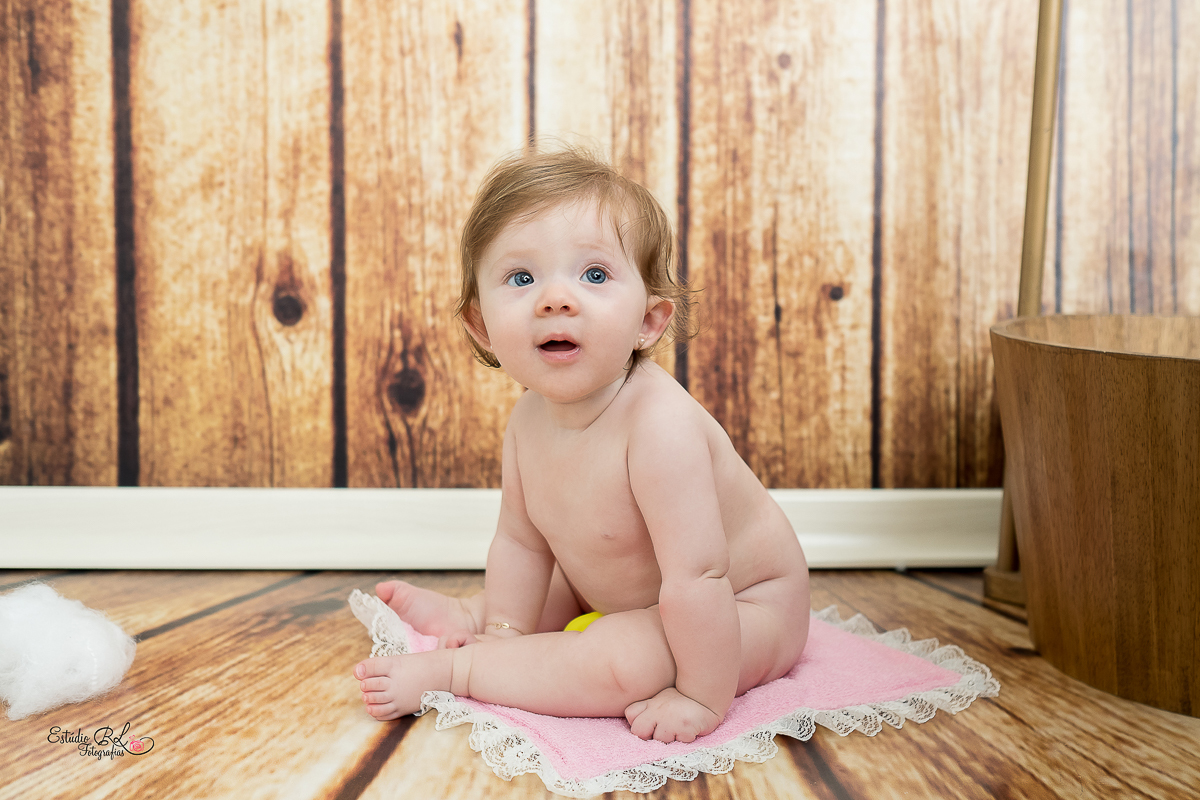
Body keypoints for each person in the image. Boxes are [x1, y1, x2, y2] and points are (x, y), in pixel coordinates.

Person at [354, 147, 810, 744]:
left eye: (594, 275)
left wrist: (701, 696)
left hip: (743, 608)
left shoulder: (659, 427)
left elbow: (698, 577)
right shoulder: (527, 420)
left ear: (650, 320)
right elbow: (521, 541)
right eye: (522, 278)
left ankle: (460, 669)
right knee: (557, 583)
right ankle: (477, 624)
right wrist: (506, 629)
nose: (555, 299)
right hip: (629, 588)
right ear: (482, 325)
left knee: (622, 656)